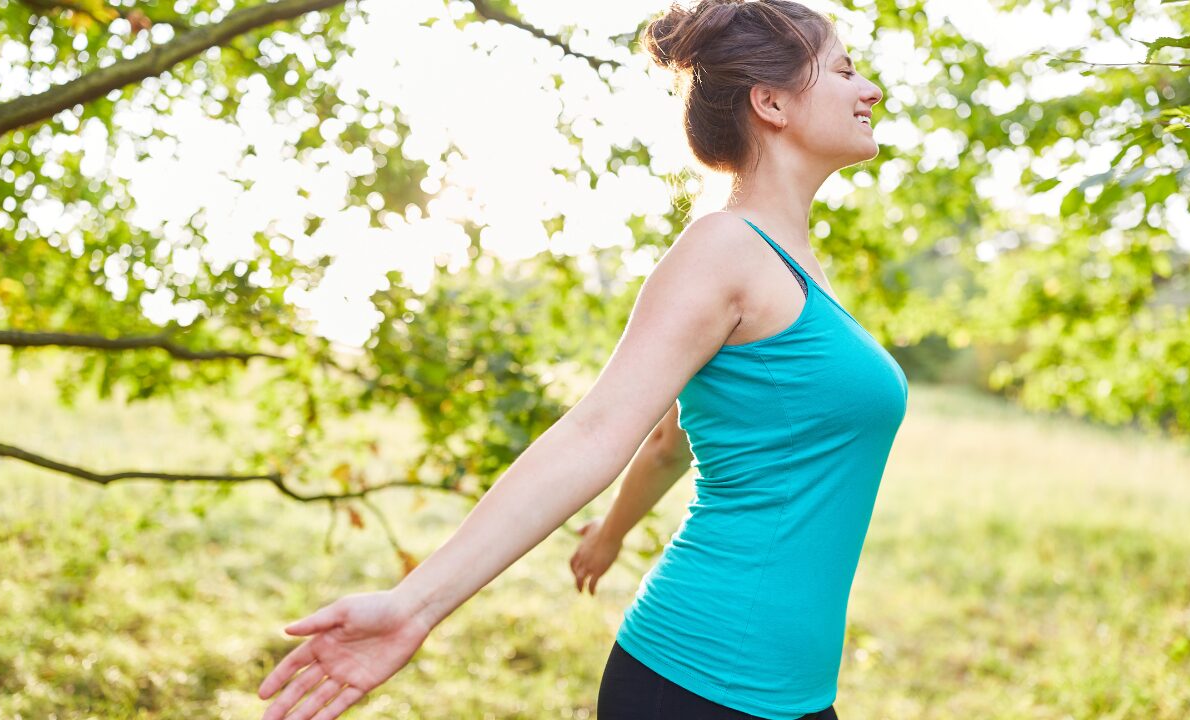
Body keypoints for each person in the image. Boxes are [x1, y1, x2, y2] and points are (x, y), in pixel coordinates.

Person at [257, 0, 901, 718]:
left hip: (793, 694)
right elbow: (595, 433)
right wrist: (414, 605)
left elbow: (678, 436)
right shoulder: (723, 250)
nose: (870, 90)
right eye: (844, 69)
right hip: (699, 684)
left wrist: (613, 533)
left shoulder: (794, 268)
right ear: (771, 101)